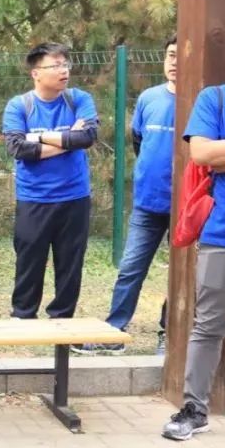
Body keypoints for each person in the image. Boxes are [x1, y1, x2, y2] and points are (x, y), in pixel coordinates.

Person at [162, 29, 225, 441]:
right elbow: (202, 153)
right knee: (208, 325)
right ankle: (194, 408)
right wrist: (221, 153)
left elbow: (219, 154)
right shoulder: (218, 98)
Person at [75, 36, 177, 355]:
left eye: (181, 56)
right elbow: (138, 142)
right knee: (131, 268)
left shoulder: (200, 101)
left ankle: (170, 335)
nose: (175, 62)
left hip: (187, 207)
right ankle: (114, 332)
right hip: (148, 204)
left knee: (181, 274)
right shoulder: (149, 98)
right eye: (170, 55)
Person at [3, 42, 99, 320]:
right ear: (36, 73)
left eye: (65, 64)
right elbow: (18, 148)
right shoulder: (20, 105)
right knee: (28, 264)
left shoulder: (78, 99)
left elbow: (87, 137)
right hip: (33, 199)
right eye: (55, 65)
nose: (63, 70)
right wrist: (68, 140)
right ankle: (23, 319)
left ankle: (62, 325)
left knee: (70, 267)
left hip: (74, 197)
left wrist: (39, 137)